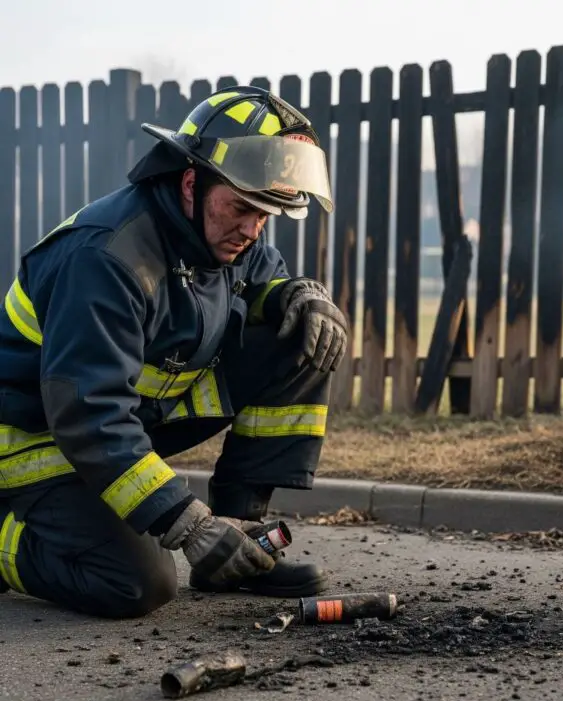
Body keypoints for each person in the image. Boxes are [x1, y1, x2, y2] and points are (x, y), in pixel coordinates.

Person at [0, 86, 349, 619]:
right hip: (35, 440)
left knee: (300, 334)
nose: (252, 230)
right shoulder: (108, 258)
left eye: (266, 215)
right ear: (192, 181)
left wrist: (298, 294)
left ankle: (238, 542)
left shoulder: (217, 234)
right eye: (242, 208)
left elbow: (262, 284)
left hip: (125, 422)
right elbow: (87, 412)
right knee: (138, 583)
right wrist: (187, 524)